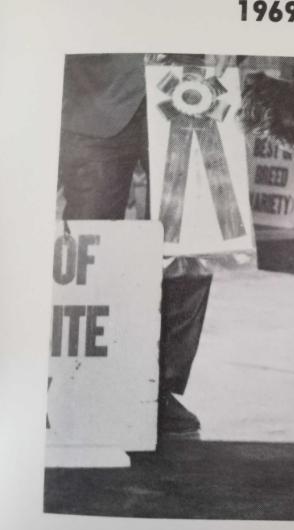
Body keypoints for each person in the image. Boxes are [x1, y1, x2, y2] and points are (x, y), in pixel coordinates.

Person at [58, 53, 234, 434]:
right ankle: (78, 380)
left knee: (189, 245)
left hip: (190, 87)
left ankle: (160, 387)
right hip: (97, 95)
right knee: (88, 251)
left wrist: (230, 36)